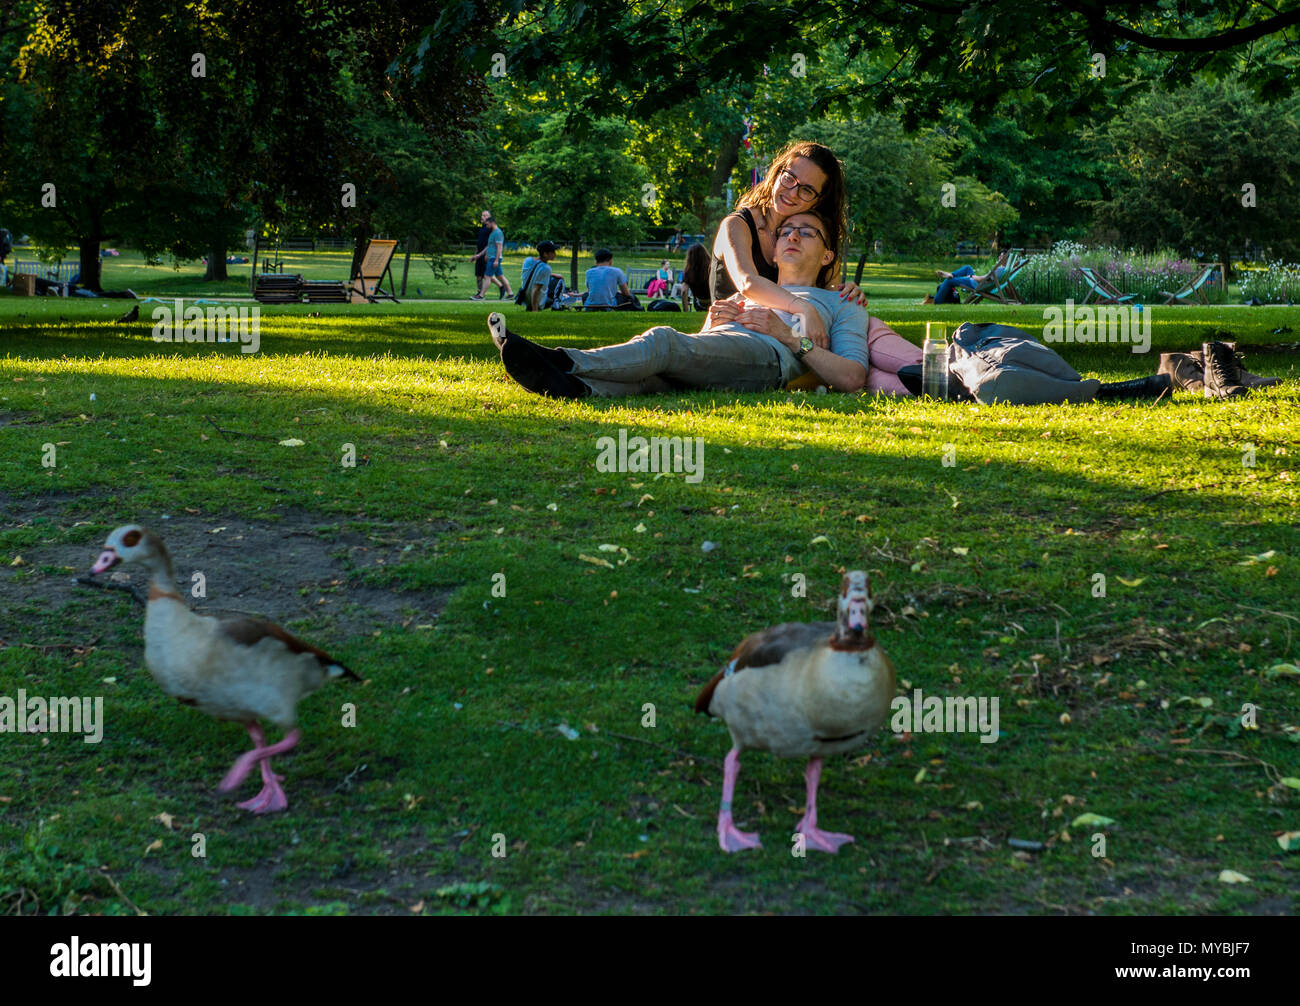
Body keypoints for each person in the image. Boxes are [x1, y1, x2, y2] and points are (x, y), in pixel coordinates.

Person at [487, 210, 923, 399]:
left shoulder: (840, 303)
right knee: (654, 378)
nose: (791, 235)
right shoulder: (751, 291)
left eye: (806, 233)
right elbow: (704, 347)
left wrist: (789, 337)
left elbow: (852, 377)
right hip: (730, 354)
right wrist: (713, 324)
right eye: (786, 231)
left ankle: (563, 361)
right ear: (772, 254)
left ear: (828, 256)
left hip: (768, 360)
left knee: (662, 341)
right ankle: (577, 388)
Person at [711, 140, 867, 353]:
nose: (792, 192)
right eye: (789, 178)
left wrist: (847, 294)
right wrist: (804, 307)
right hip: (734, 334)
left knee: (873, 332)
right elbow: (748, 283)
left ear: (818, 201)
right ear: (776, 173)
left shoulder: (812, 241)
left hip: (791, 344)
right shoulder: (737, 225)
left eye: (807, 190)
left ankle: (918, 368)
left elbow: (826, 300)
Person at [926, 252, 1009, 304]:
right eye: (1000, 256)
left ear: (1006, 259)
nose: (999, 258)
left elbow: (982, 279)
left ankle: (936, 301)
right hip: (980, 284)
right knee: (968, 268)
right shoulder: (1003, 269)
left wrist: (971, 276)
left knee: (949, 281)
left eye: (1002, 257)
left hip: (977, 284)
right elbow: (986, 279)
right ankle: (951, 274)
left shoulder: (999, 269)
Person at [474, 216, 513, 301]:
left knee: (487, 276)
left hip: (494, 258)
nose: (486, 226)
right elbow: (489, 246)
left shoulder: (498, 233)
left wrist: (496, 260)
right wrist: (481, 255)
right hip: (491, 257)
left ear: (492, 223)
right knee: (500, 277)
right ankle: (510, 294)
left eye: (487, 224)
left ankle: (481, 296)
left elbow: (499, 247)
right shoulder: (492, 232)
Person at [519, 241, 563, 311]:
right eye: (553, 252)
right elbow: (536, 289)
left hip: (525, 299)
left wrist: (553, 274)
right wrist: (535, 310)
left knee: (554, 278)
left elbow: (534, 274)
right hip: (538, 303)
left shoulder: (528, 260)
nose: (555, 254)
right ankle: (556, 305)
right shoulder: (546, 268)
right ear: (545, 254)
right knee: (560, 281)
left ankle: (530, 306)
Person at [673, 243, 711, 312]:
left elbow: (684, 291)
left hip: (700, 304)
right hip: (713, 302)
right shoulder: (711, 269)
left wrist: (685, 311)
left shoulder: (688, 272)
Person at [469, 210, 492, 300]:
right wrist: (475, 255)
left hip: (485, 256)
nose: (482, 217)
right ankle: (479, 293)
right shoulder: (482, 228)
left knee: (486, 275)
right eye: (482, 215)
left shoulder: (490, 229)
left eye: (485, 216)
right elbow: (478, 243)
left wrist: (485, 254)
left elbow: (489, 244)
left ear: (489, 218)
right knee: (478, 275)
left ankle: (482, 295)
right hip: (479, 255)